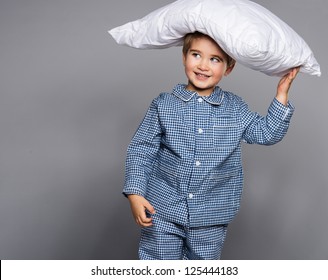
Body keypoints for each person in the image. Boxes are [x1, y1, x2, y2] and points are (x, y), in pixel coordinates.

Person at [123, 31, 299, 260]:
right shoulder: (164, 105)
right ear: (184, 56)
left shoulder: (235, 108)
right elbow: (141, 149)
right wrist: (135, 193)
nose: (203, 65)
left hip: (211, 215)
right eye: (196, 55)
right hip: (162, 210)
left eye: (215, 59)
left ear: (228, 67)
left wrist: (281, 95)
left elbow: (265, 133)